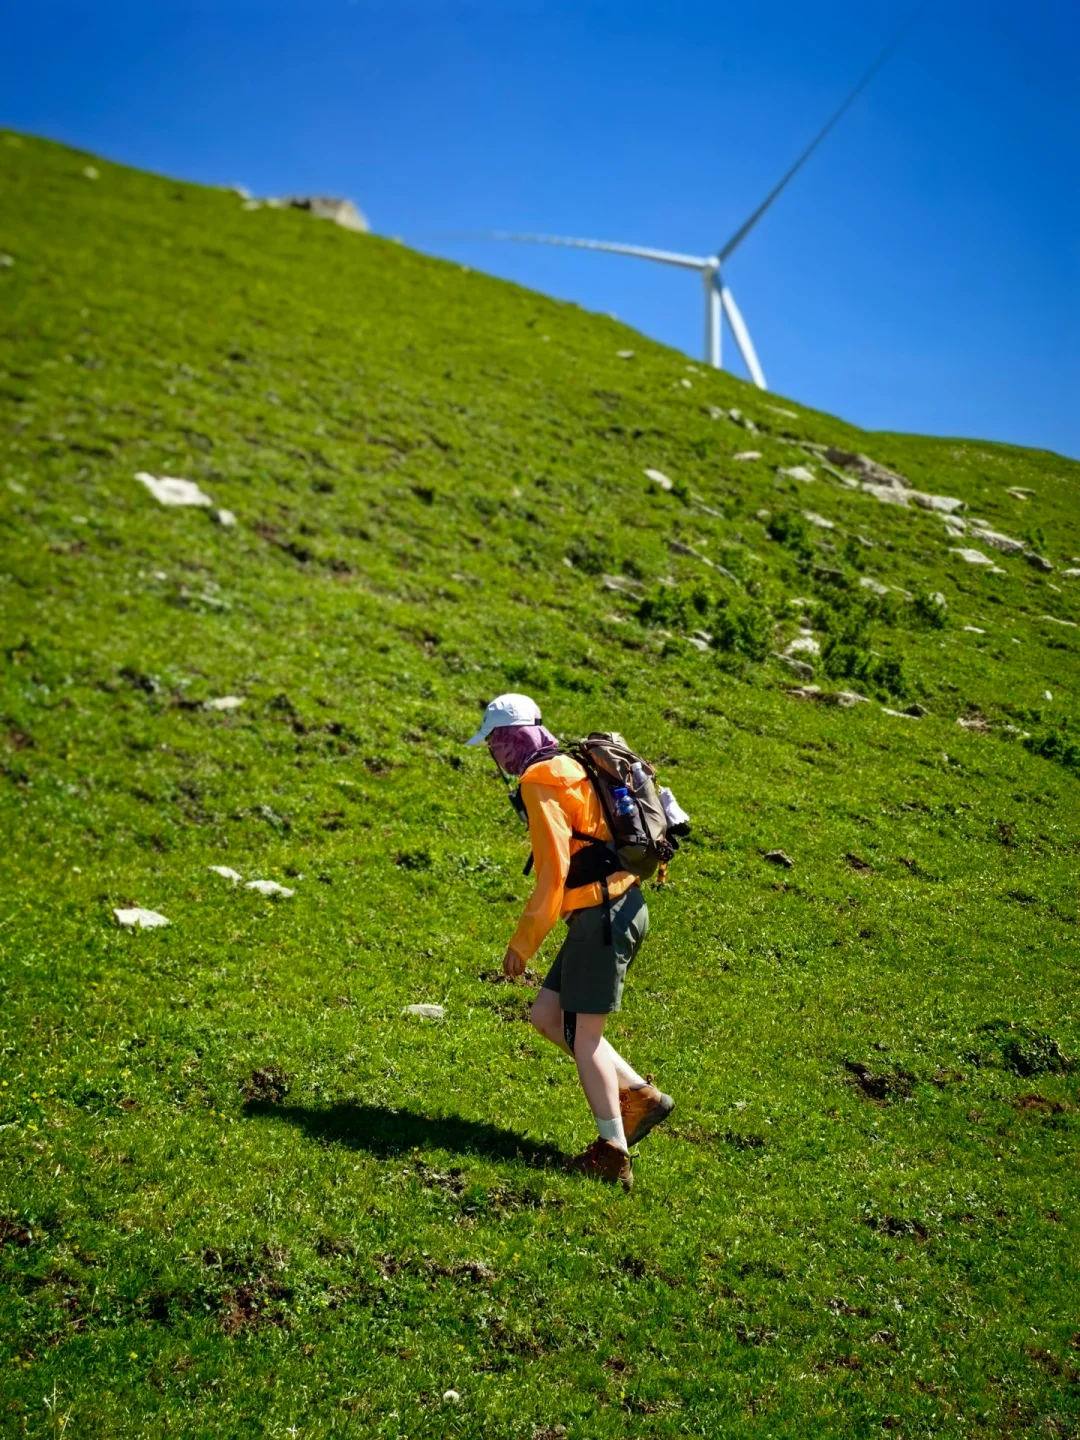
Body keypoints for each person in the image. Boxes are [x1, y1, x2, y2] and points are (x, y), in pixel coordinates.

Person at [467, 693, 674, 1190]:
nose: (496, 755)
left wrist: (524, 942)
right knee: (546, 1016)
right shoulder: (572, 764)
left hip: (603, 916)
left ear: (511, 739)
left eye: (496, 743)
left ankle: (612, 1154)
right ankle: (640, 1096)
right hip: (616, 908)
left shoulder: (540, 779)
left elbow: (553, 872)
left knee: (586, 1039)